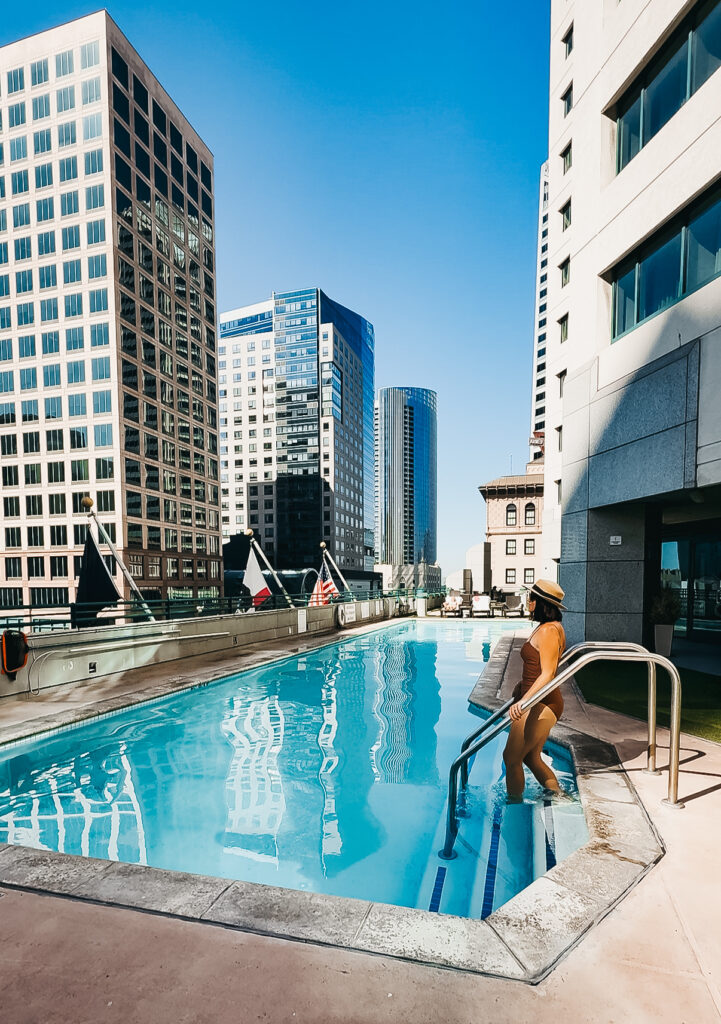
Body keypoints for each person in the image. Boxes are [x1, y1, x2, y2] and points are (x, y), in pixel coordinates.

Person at [503, 579, 567, 801]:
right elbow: (536, 667)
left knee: (511, 759)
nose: (527, 601)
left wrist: (523, 702)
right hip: (534, 698)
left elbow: (548, 672)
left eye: (531, 598)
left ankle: (514, 805)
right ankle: (558, 796)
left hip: (541, 701)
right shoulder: (545, 628)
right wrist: (521, 687)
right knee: (531, 757)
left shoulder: (549, 630)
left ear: (540, 603)